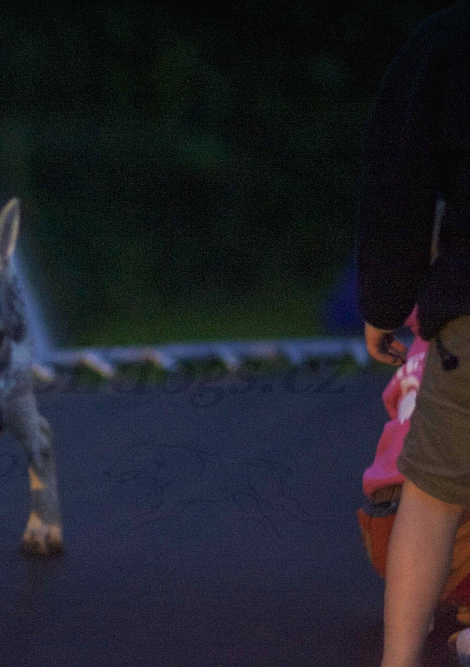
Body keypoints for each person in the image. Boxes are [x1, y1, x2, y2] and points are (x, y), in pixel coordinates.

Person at [356, 2, 470, 665]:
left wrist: (385, 300)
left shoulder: (448, 41)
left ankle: (400, 659)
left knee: (429, 498)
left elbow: (397, 184)